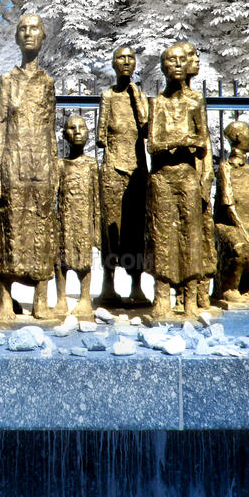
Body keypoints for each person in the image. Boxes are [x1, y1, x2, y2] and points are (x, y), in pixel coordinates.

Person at [0, 14, 60, 321]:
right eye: (23, 29)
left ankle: (40, 300)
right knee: (10, 231)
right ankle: (4, 300)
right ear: (17, 38)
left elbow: (51, 129)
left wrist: (54, 169)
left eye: (35, 29)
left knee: (42, 232)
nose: (29, 33)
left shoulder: (48, 83)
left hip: (42, 168)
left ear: (43, 37)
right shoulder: (7, 80)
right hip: (13, 166)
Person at [147, 43, 208, 319]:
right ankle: (162, 295)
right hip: (162, 177)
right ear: (163, 67)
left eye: (181, 60)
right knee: (163, 236)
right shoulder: (158, 102)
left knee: (190, 235)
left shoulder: (196, 102)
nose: (177, 65)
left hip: (187, 175)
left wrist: (186, 142)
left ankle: (191, 296)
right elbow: (152, 144)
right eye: (170, 61)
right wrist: (178, 141)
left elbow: (203, 142)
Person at [97, 46, 150, 307]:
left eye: (130, 58)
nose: (126, 61)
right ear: (113, 62)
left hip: (138, 171)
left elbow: (148, 128)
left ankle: (136, 284)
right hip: (112, 168)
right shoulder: (107, 96)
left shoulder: (140, 95)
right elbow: (100, 137)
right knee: (111, 229)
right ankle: (108, 283)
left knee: (136, 229)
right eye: (121, 57)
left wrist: (137, 97)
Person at [177, 41, 216, 310]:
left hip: (199, 175)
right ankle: (182, 291)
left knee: (201, 235)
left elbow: (204, 142)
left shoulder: (195, 100)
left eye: (194, 54)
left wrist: (207, 175)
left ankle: (201, 291)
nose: (196, 60)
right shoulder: (180, 100)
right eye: (191, 55)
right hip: (184, 177)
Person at [214, 121, 249, 302]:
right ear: (237, 139)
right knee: (240, 246)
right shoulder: (225, 168)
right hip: (229, 225)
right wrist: (242, 229)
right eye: (247, 135)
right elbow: (227, 203)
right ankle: (229, 288)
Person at [57, 114, 100, 318]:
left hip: (84, 219)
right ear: (64, 135)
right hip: (64, 219)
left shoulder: (91, 165)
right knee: (60, 260)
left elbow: (97, 200)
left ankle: (84, 298)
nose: (77, 132)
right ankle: (60, 298)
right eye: (72, 128)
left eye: (81, 127)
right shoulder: (60, 164)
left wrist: (96, 229)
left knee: (84, 260)